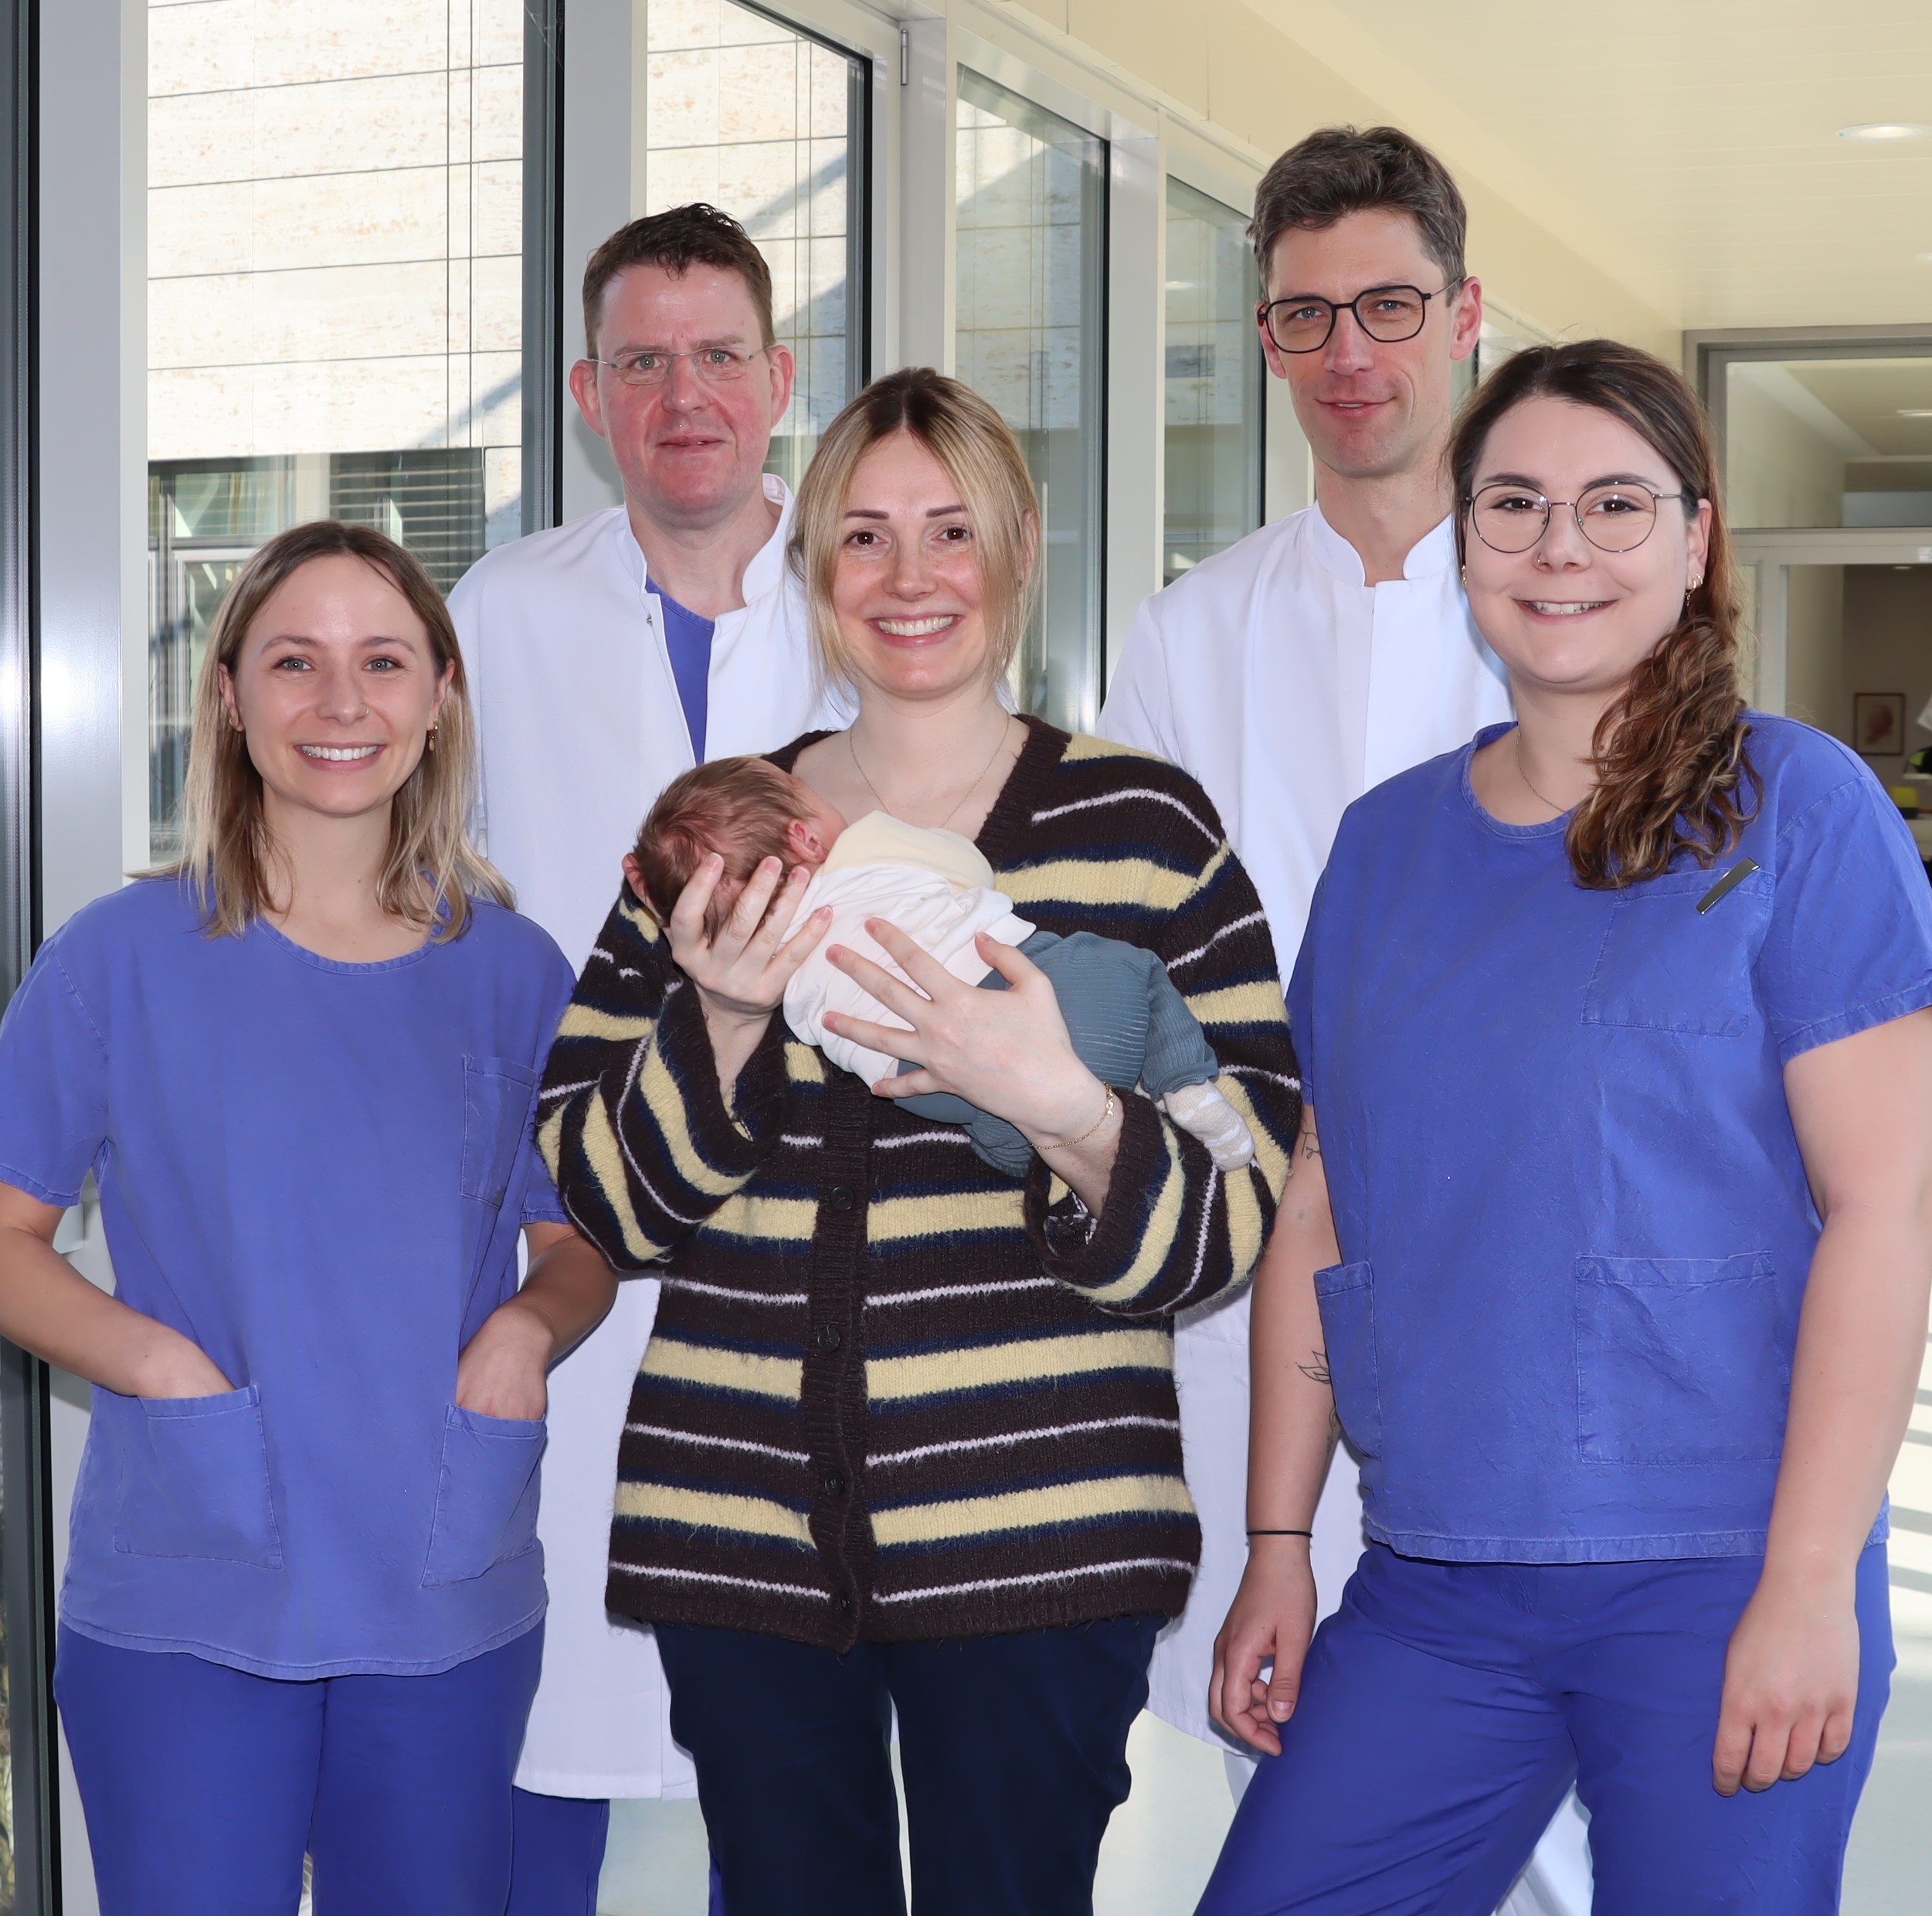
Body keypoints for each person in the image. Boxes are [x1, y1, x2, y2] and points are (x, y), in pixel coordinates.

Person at [1198, 340, 1932, 1914]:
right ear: (1463, 539)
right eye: (1516, 504)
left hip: (1720, 1568)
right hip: (1436, 1577)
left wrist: (1811, 1579)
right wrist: (1278, 1540)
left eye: (1616, 505)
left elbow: (1888, 1208)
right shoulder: (1385, 847)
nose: (1561, 547)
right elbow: (1322, 1205)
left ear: (1694, 540)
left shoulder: (1796, 810)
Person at [537, 368, 1299, 1916]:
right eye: (864, 535)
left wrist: (1063, 1105)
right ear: (814, 566)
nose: (908, 577)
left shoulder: (1150, 830)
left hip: (1042, 1540)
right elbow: (601, 1199)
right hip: (742, 1536)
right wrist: (726, 1019)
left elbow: (1238, 1212)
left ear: (1015, 549)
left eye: (950, 529)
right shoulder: (720, 832)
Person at [0, 522, 615, 1914]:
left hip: (442, 1580)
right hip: (193, 1586)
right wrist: (159, 1365)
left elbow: (580, 1243)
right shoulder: (117, 958)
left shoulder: (516, 971)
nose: (341, 701)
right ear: (231, 698)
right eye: (295, 662)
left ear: (441, 699)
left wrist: (526, 1333)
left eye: (384, 662)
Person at [1094, 124, 1591, 1908]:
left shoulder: (1573, 606)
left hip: (1540, 1279)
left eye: (1389, 305)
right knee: (1295, 1758)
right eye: (1305, 316)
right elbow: (1137, 971)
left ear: (1466, 315)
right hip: (1269, 1286)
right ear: (1266, 337)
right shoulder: (1190, 637)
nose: (1349, 353)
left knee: (1559, 1813)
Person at [445, 202, 839, 1904]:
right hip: (576, 1223)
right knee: (554, 1714)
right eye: (644, 362)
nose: (687, 396)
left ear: (782, 380)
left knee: (809, 1758)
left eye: (721, 356)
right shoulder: (501, 612)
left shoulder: (866, 596)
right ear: (589, 395)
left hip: (830, 1229)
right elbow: (431, 892)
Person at [626, 753, 1255, 1175]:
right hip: (1033, 992)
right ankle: (1185, 1084)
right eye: (807, 795)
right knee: (1135, 968)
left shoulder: (761, 971)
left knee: (999, 1133)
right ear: (806, 838)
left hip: (922, 1082)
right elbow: (970, 867)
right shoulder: (866, 844)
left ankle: (1040, 1128)